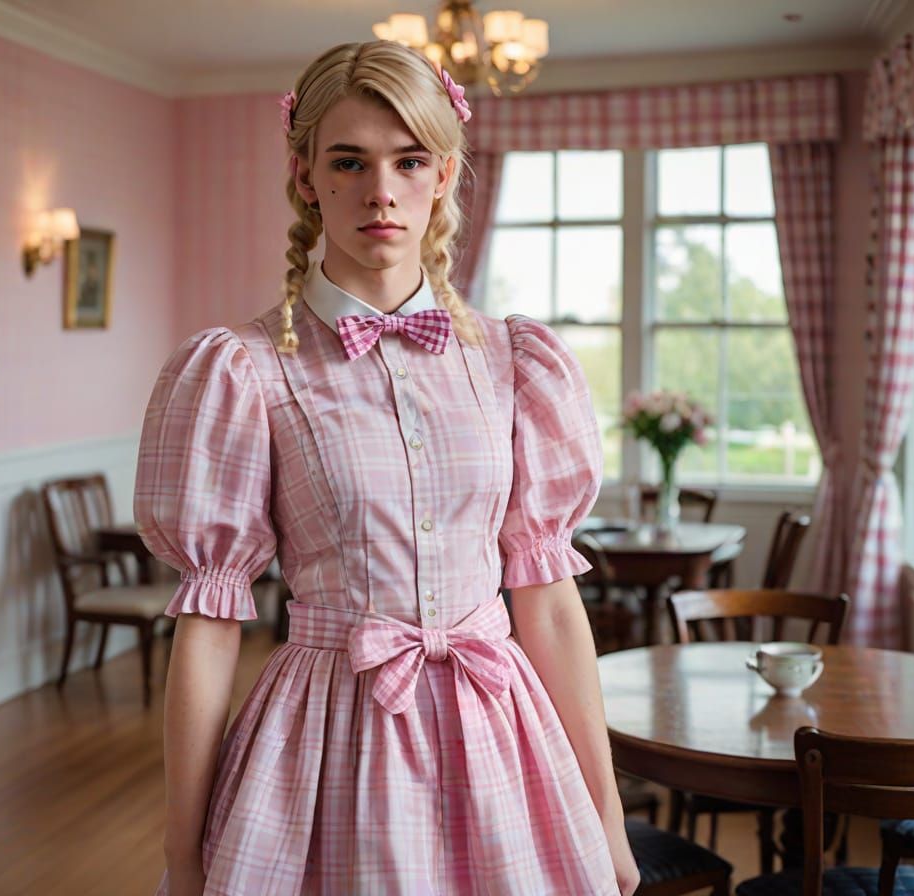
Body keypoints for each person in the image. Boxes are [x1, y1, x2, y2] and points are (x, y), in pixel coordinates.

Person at [135, 39, 639, 896]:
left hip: (500, 736)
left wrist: (608, 816)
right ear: (306, 178)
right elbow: (212, 625)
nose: (380, 191)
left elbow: (549, 607)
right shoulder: (243, 371)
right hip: (328, 739)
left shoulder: (514, 362)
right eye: (349, 161)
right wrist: (184, 862)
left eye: (409, 160)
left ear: (443, 174)